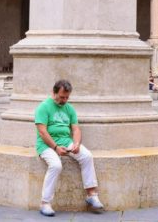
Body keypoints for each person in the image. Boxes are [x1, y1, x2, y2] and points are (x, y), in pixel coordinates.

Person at [34, 79, 103, 217]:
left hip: (66, 141)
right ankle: (45, 203)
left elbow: (76, 129)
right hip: (47, 144)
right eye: (61, 97)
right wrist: (55, 147)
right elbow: (42, 132)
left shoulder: (69, 108)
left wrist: (76, 143)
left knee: (87, 156)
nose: (64, 100)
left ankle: (91, 194)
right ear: (54, 93)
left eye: (67, 97)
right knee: (56, 165)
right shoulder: (43, 107)